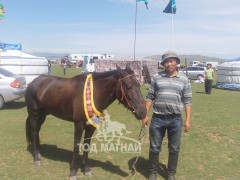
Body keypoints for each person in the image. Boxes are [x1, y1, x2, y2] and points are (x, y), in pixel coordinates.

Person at [142, 51, 192, 180]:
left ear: (176, 62)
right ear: (163, 64)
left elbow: (187, 101)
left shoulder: (184, 80)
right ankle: (152, 172)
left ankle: (171, 173)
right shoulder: (156, 78)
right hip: (157, 119)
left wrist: (187, 120)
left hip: (175, 119)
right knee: (154, 147)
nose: (169, 64)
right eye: (166, 62)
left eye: (171, 61)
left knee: (174, 148)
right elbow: (149, 97)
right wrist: (145, 115)